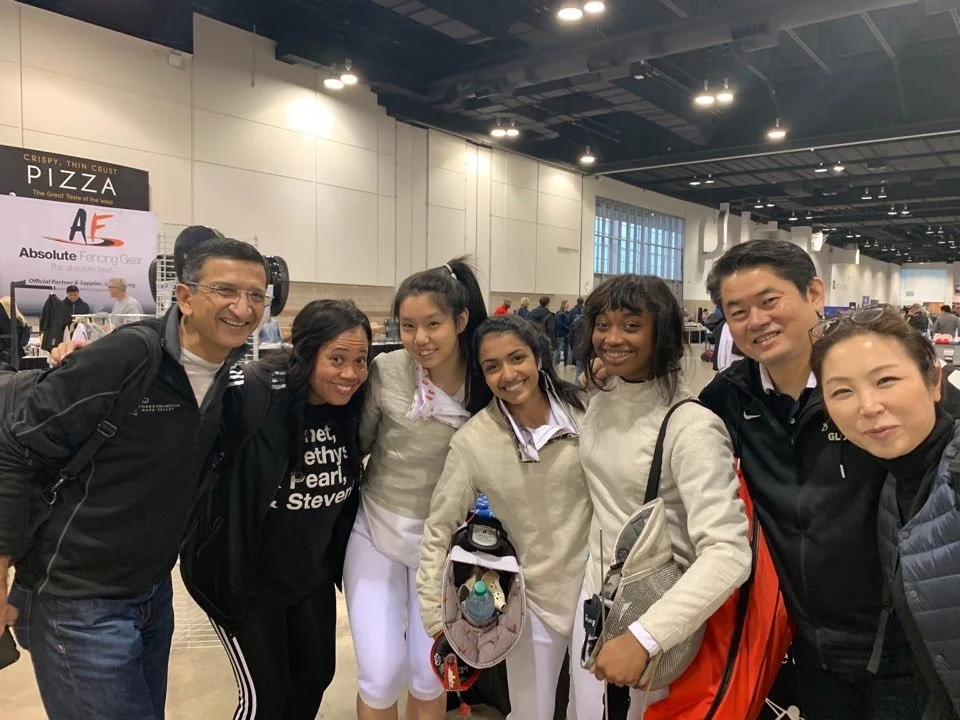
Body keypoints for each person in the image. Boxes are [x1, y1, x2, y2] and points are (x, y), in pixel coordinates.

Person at [0, 238, 269, 720]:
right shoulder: (128, 357)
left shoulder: (230, 377)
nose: (242, 307)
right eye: (225, 290)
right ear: (185, 298)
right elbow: (15, 447)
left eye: (256, 295)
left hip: (150, 592)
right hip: (76, 600)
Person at [700, 239, 930, 719]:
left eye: (769, 301)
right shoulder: (727, 398)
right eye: (736, 310)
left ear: (814, 293)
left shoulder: (871, 383)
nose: (756, 321)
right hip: (807, 645)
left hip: (905, 644)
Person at [572, 274, 751, 720]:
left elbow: (729, 553)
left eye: (631, 325)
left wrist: (646, 636)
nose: (612, 338)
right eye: (603, 323)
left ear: (663, 333)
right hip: (595, 596)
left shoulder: (693, 427)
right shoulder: (603, 396)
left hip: (652, 614)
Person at [185, 300, 371, 720]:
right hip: (244, 579)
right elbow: (184, 396)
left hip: (309, 578)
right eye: (337, 359)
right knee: (264, 699)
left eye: (360, 360)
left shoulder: (353, 407)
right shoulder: (257, 392)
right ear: (305, 354)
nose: (350, 373)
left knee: (314, 678)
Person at [417, 314, 590, 720]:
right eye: (492, 366)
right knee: (531, 712)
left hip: (592, 591)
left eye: (517, 358)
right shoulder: (474, 441)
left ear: (539, 357)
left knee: (591, 710)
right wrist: (435, 618)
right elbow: (439, 528)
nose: (508, 374)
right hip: (528, 602)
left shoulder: (586, 413)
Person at [346, 257, 492, 720]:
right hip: (377, 531)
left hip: (447, 543)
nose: (420, 339)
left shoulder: (486, 378)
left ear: (460, 320)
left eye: (432, 324)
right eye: (408, 326)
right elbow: (358, 444)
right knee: (380, 671)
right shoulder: (386, 371)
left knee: (430, 670)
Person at [810, 306, 960, 720]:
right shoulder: (894, 485)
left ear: (933, 380)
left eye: (886, 380)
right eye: (842, 391)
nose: (868, 405)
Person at [555, 299, 572, 365]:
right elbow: (560, 324)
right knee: (559, 349)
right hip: (560, 334)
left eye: (568, 304)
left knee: (566, 349)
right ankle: (556, 363)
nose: (568, 305)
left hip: (567, 334)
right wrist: (568, 329)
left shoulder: (568, 313)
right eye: (566, 304)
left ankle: (566, 362)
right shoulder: (559, 314)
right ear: (563, 305)